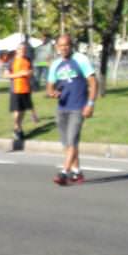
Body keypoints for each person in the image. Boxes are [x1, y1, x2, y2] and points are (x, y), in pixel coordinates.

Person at [47, 34, 97, 186]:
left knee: (72, 141)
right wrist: (52, 92)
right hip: (62, 108)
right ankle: (77, 173)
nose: (64, 48)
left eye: (66, 45)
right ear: (57, 47)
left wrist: (90, 103)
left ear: (71, 45)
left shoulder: (81, 59)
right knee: (67, 144)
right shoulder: (55, 64)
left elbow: (94, 83)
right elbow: (50, 85)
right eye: (61, 46)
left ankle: (64, 173)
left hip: (78, 107)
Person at [3, 42, 40, 140]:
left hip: (26, 88)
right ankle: (17, 129)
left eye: (24, 50)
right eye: (21, 49)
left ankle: (18, 129)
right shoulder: (12, 61)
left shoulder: (27, 60)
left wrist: (29, 73)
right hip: (15, 89)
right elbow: (6, 75)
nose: (23, 51)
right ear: (17, 50)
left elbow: (31, 71)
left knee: (23, 111)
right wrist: (19, 74)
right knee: (17, 112)